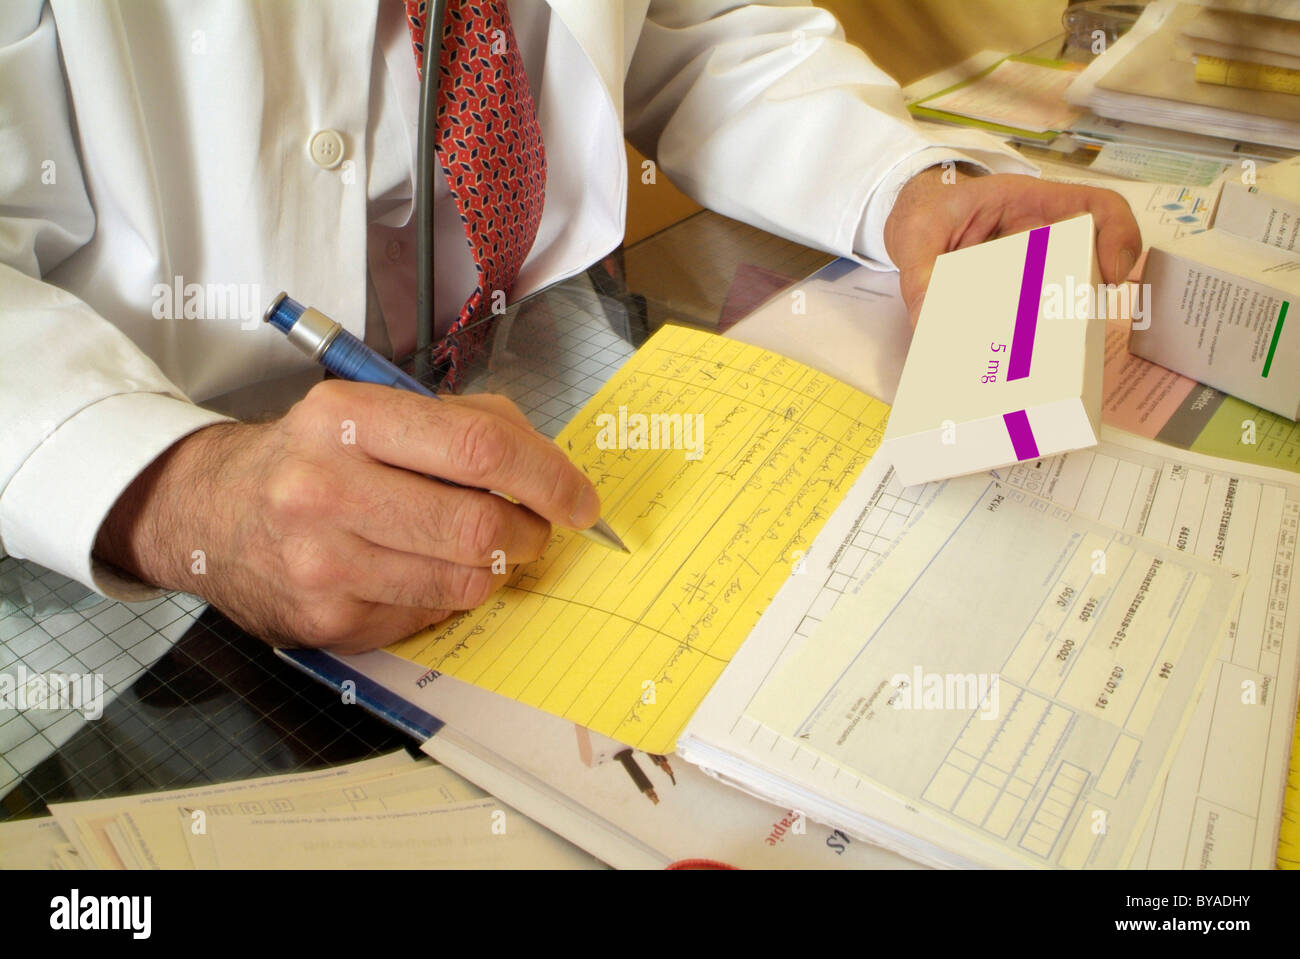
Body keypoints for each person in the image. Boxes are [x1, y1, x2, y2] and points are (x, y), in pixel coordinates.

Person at [0, 0, 1141, 653]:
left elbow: (705, 25)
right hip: (115, 512)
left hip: (535, 365)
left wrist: (905, 179)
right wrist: (174, 488)